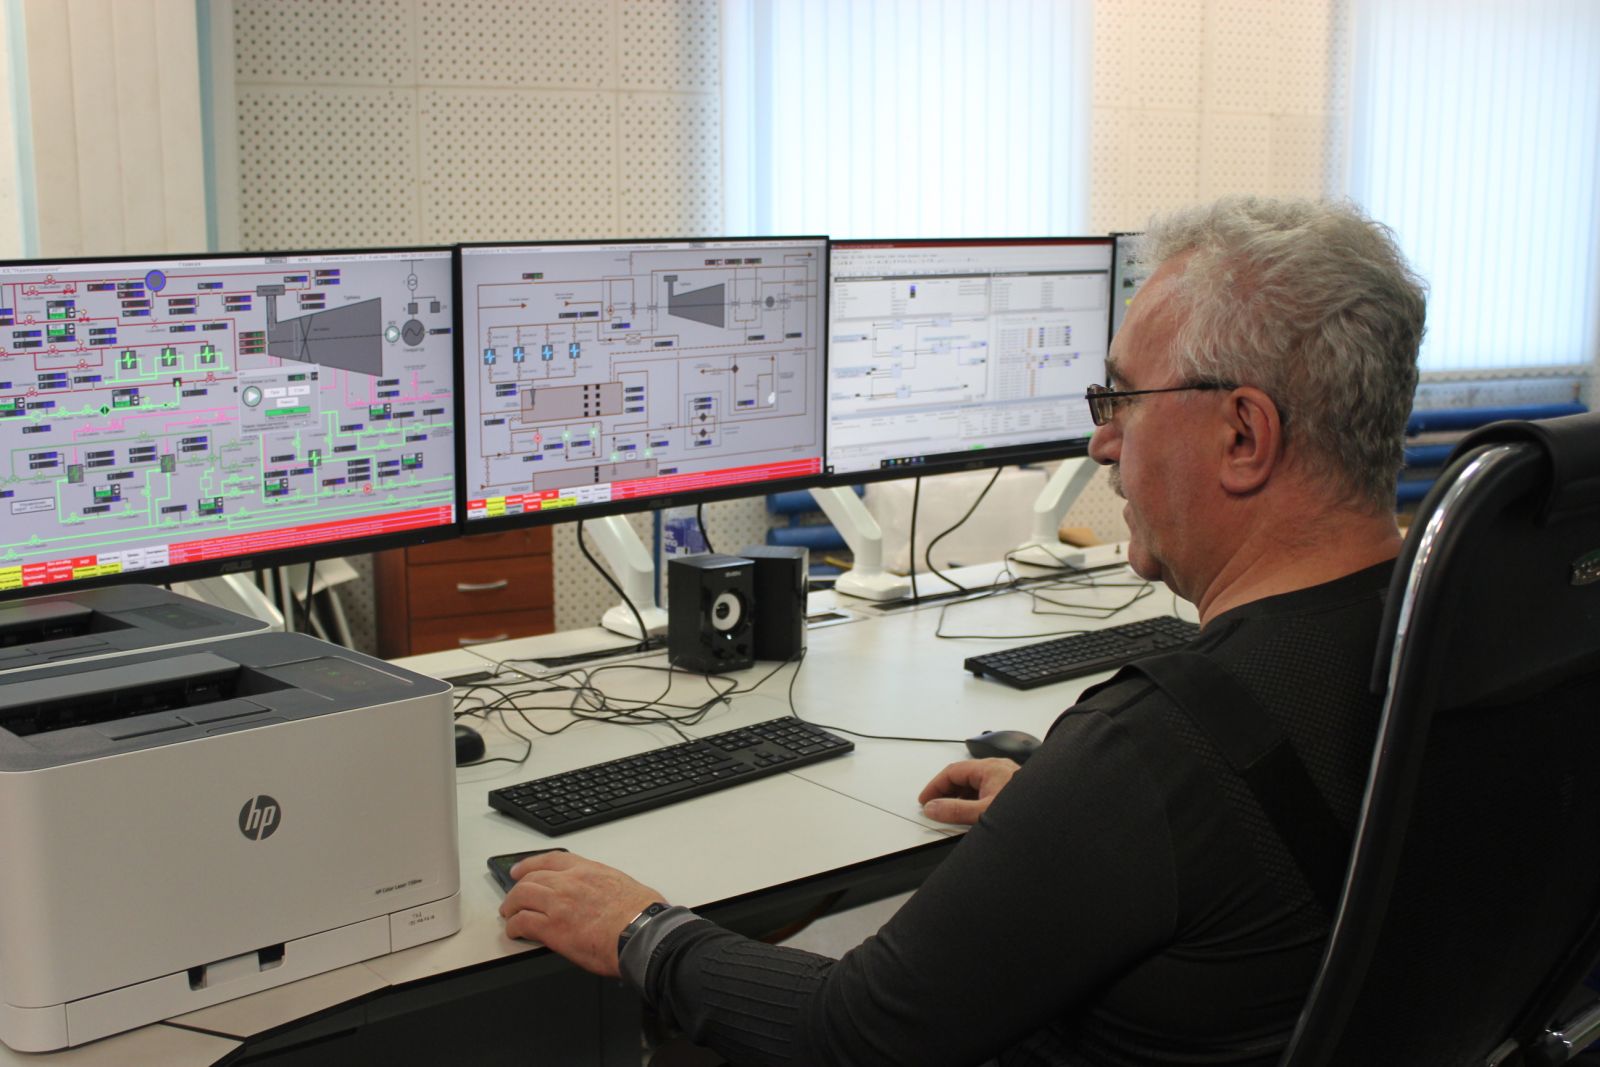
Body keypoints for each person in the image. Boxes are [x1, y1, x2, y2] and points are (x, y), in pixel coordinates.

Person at [498, 196, 1428, 1066]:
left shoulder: (1154, 751)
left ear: (1243, 436)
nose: (1102, 442)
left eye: (1124, 401)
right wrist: (1070, 826)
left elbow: (850, 1030)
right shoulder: (1444, 648)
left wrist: (641, 928)